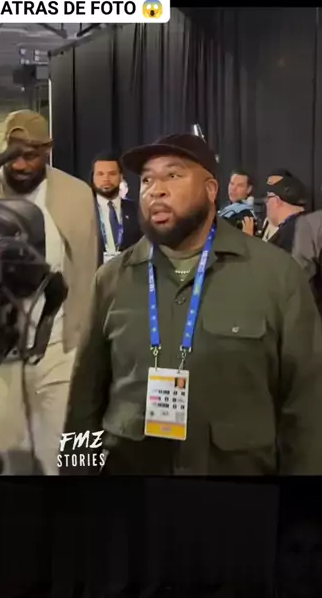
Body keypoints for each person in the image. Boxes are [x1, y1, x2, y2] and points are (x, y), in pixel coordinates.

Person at [64, 133, 322, 475]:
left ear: (211, 190)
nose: (155, 190)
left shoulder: (277, 276)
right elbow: (83, 402)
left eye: (172, 175)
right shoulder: (112, 280)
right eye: (147, 179)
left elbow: (306, 405)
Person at [0, 109, 99, 475]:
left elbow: (87, 269)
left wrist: (85, 338)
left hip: (61, 345)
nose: (21, 165)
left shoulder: (77, 195)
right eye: (13, 155)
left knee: (62, 447)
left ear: (48, 149)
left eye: (31, 155)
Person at [90, 151, 141, 265]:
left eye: (112, 174)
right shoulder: (83, 211)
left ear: (121, 176)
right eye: (100, 174)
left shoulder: (137, 210)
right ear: (93, 177)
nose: (106, 179)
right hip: (94, 273)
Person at [265, 175, 308, 253]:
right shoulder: (313, 227)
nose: (266, 203)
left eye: (268, 198)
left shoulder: (283, 238)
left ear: (277, 200)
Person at [260, 169, 294, 241]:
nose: (270, 190)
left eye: (276, 185)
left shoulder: (292, 222)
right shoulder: (265, 217)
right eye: (269, 185)